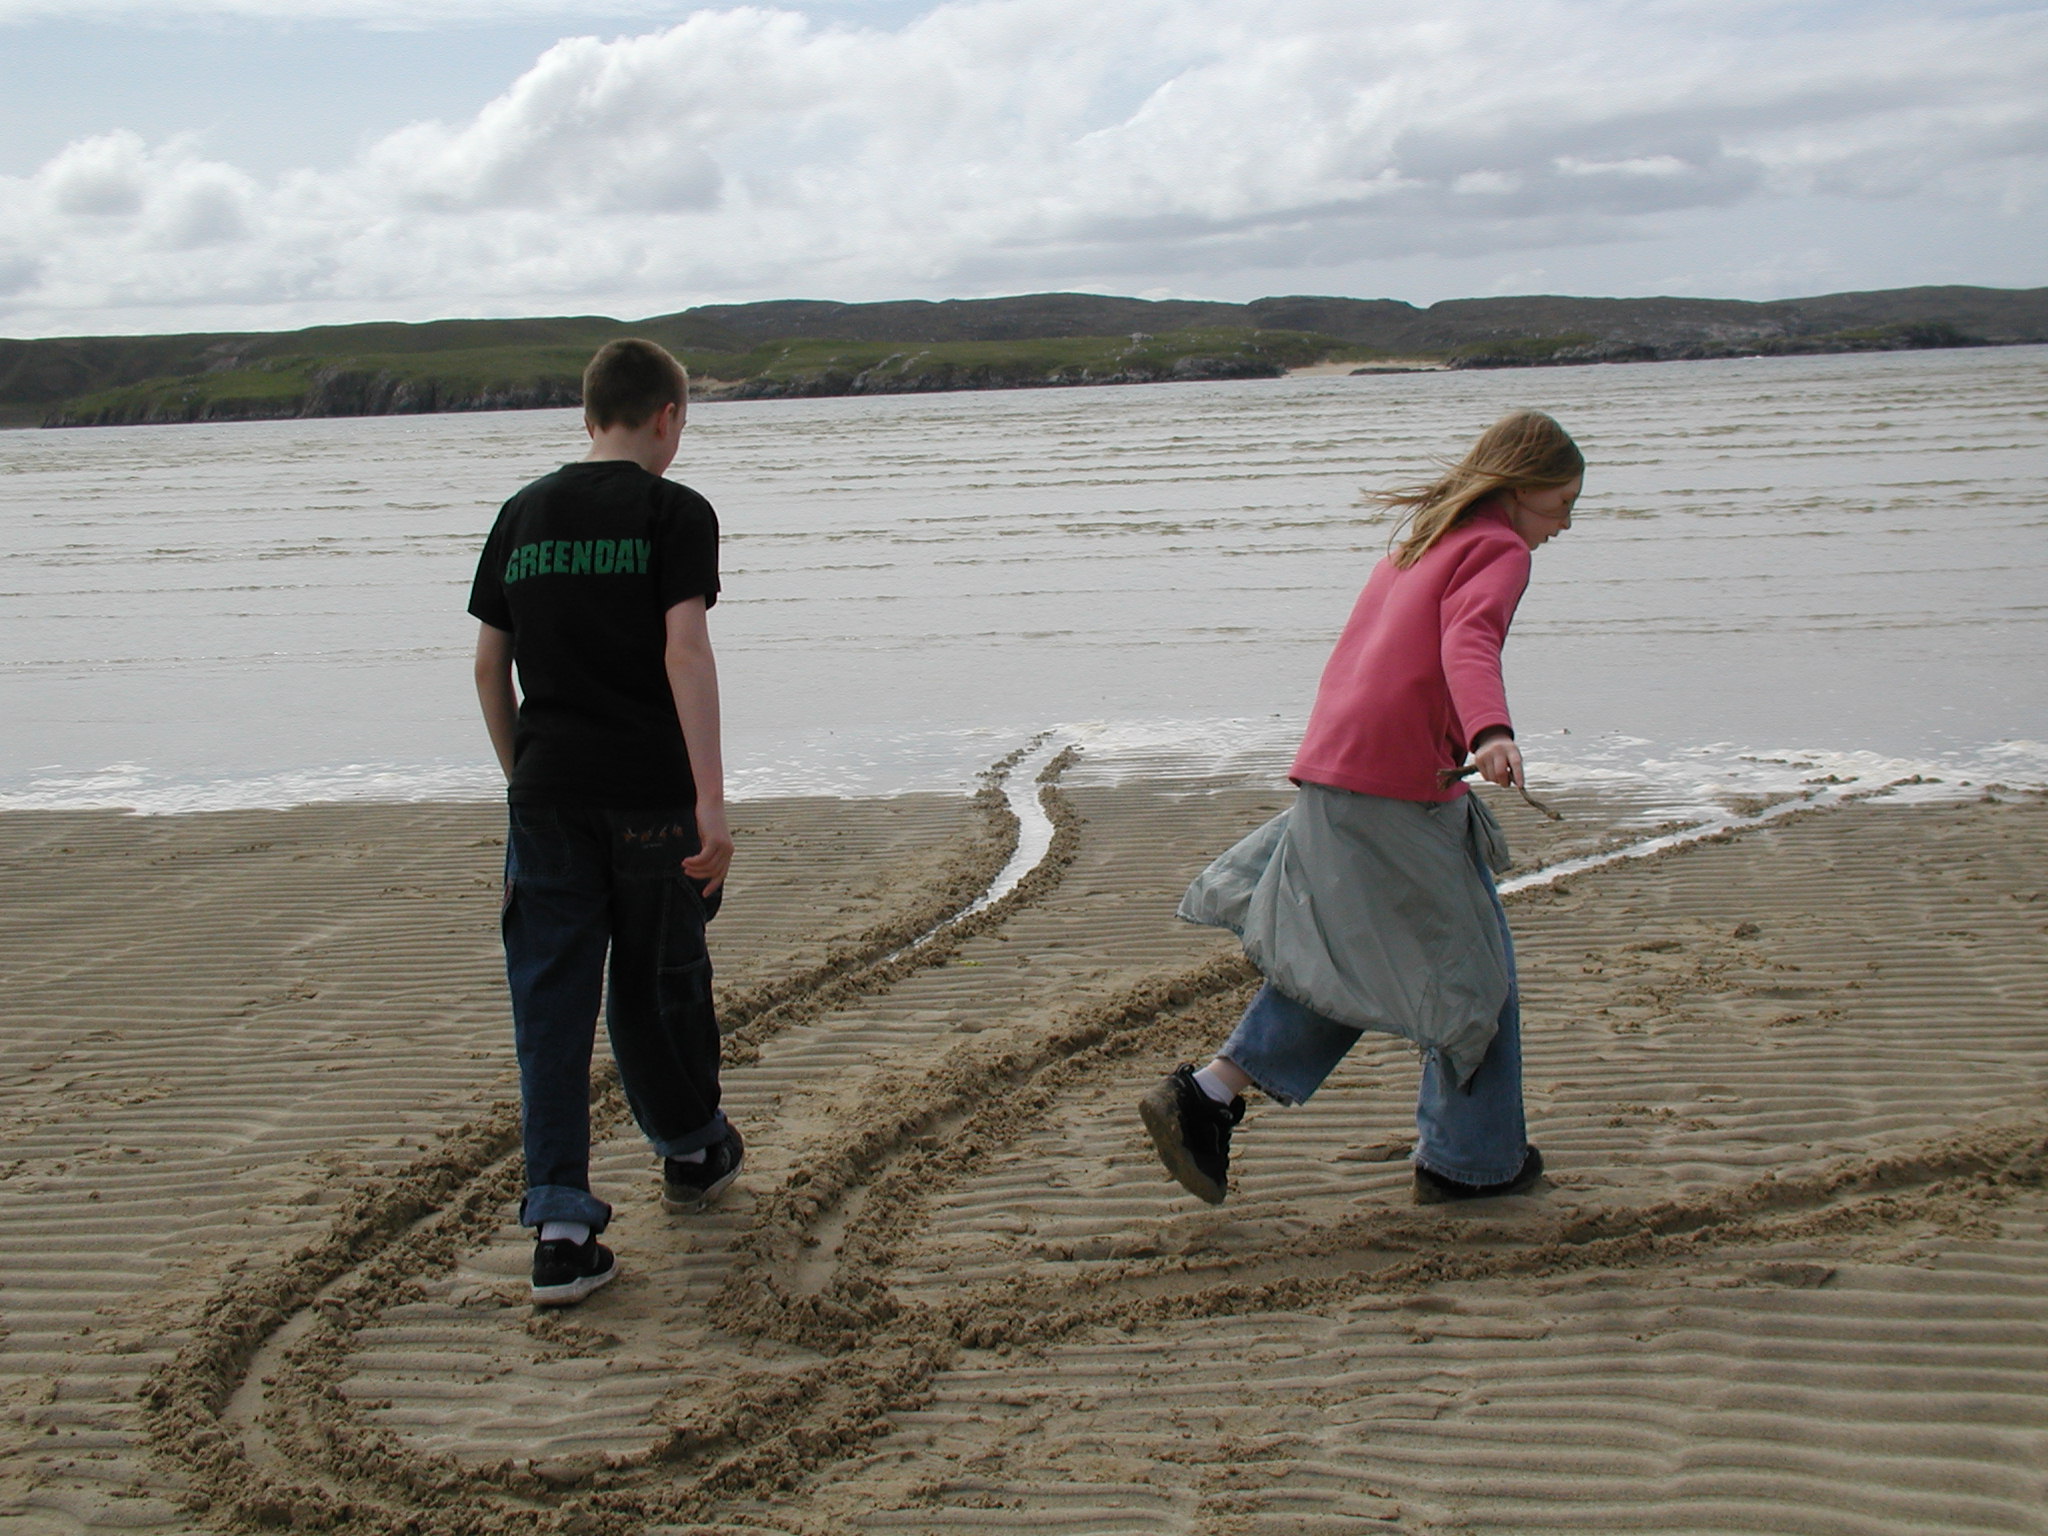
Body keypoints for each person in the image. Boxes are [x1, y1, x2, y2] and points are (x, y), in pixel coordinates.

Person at [1140, 409, 1582, 1207]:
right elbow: (1469, 641)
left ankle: (1209, 1096)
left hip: (1345, 770)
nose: (1565, 524)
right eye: (1561, 505)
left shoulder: (1420, 543)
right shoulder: (1500, 548)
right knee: (1472, 979)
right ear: (1519, 486)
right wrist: (1490, 730)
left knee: (1361, 956)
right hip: (1393, 788)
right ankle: (1467, 1164)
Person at [469, 337, 742, 1306]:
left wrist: (524, 778)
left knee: (550, 1003)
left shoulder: (520, 513)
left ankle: (558, 1225)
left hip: (546, 793)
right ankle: (690, 1147)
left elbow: (486, 668)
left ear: (589, 416)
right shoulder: (676, 511)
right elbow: (685, 654)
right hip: (648, 798)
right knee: (659, 976)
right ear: (667, 416)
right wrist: (709, 800)